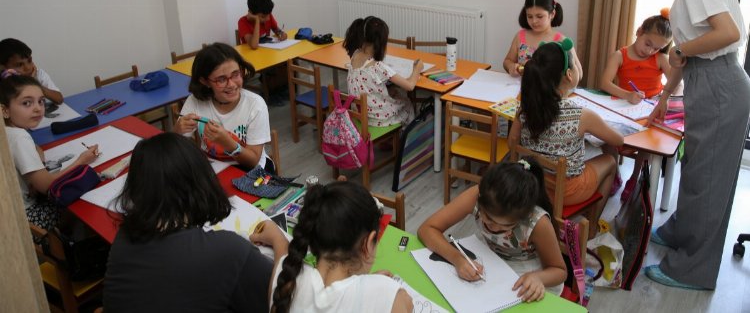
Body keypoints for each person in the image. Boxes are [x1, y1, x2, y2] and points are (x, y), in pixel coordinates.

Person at [622, 0, 750, 290]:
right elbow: (688, 54)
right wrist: (664, 96)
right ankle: (680, 230)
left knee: (708, 180)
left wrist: (680, 50)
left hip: (719, 84)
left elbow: (727, 33)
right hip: (706, 81)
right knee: (696, 171)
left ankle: (693, 269)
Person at [104, 132, 288, 312]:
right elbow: (285, 300)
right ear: (200, 182)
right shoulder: (228, 250)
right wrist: (280, 241)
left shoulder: (124, 237)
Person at [508, 39, 621, 238]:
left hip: (534, 183)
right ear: (569, 74)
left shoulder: (525, 109)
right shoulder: (581, 115)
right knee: (610, 161)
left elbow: (512, 142)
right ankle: (591, 227)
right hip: (568, 191)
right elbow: (618, 140)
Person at [418, 160, 566, 302]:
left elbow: (559, 270)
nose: (493, 228)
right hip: (490, 261)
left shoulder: (537, 222)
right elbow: (427, 229)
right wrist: (457, 259)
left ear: (522, 217)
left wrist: (538, 277)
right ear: (480, 199)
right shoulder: (476, 195)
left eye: (506, 226)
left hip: (527, 275)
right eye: (488, 218)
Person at [270, 181, 413, 313]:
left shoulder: (285, 277)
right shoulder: (389, 295)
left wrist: (367, 283)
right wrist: (379, 287)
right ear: (368, 243)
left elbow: (281, 251)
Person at [1, 72, 98, 230]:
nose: (38, 109)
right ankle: (69, 239)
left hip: (9, 210)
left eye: (40, 101)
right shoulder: (19, 138)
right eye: (27, 103)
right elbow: (48, 186)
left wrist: (35, 166)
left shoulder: (7, 130)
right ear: (5, 110)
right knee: (80, 202)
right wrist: (81, 161)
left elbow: (34, 148)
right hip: (25, 219)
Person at [600, 9, 673, 200]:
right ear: (639, 31)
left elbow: (676, 83)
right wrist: (627, 95)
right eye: (648, 44)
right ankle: (615, 175)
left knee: (646, 143)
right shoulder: (620, 55)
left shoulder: (660, 59)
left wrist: (664, 98)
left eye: (656, 48)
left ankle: (634, 177)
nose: (649, 51)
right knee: (604, 135)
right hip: (624, 107)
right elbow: (604, 83)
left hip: (648, 110)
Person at [174, 43, 273, 171]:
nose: (231, 84)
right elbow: (176, 148)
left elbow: (253, 162)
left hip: (251, 170)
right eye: (221, 79)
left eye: (236, 74)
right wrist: (177, 131)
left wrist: (227, 143)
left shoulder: (255, 105)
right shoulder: (195, 101)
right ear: (205, 81)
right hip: (213, 168)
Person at [343, 16, 423, 127]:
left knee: (394, 91)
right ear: (381, 42)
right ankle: (406, 135)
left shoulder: (355, 55)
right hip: (378, 120)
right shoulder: (378, 67)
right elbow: (410, 86)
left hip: (360, 113)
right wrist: (417, 69)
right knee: (407, 103)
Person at [502, 0, 583, 79]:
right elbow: (507, 61)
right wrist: (511, 67)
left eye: (539, 16)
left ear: (552, 14)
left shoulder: (562, 41)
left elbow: (579, 74)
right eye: (529, 16)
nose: (534, 21)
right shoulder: (520, 36)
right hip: (521, 86)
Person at [0, 38, 63, 104]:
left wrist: (34, 83)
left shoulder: (39, 74)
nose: (28, 68)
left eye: (29, 61)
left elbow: (59, 99)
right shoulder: (3, 84)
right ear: (3, 67)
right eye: (20, 64)